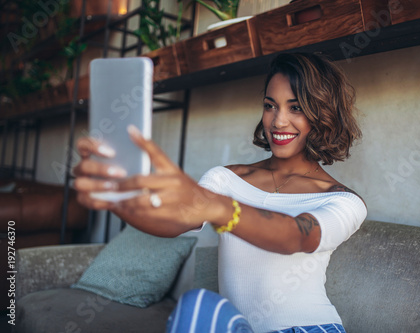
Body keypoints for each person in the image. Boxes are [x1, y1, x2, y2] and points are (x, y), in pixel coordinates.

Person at [73, 52, 367, 333]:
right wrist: (116, 197)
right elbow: (172, 221)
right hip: (236, 327)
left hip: (308, 328)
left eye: (296, 108)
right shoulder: (227, 178)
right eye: (270, 105)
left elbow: (295, 236)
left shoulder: (343, 201)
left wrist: (219, 208)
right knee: (196, 305)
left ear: (323, 113)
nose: (278, 121)